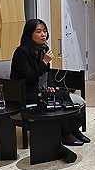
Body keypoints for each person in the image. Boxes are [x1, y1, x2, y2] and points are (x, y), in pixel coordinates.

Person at [10, 18, 88, 146]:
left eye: (45, 31)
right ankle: (64, 134)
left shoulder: (42, 49)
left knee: (64, 94)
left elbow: (47, 74)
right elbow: (29, 76)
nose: (43, 34)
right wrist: (45, 61)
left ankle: (74, 130)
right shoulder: (21, 52)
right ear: (30, 34)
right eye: (39, 31)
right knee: (56, 98)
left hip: (39, 90)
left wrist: (51, 87)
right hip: (25, 93)